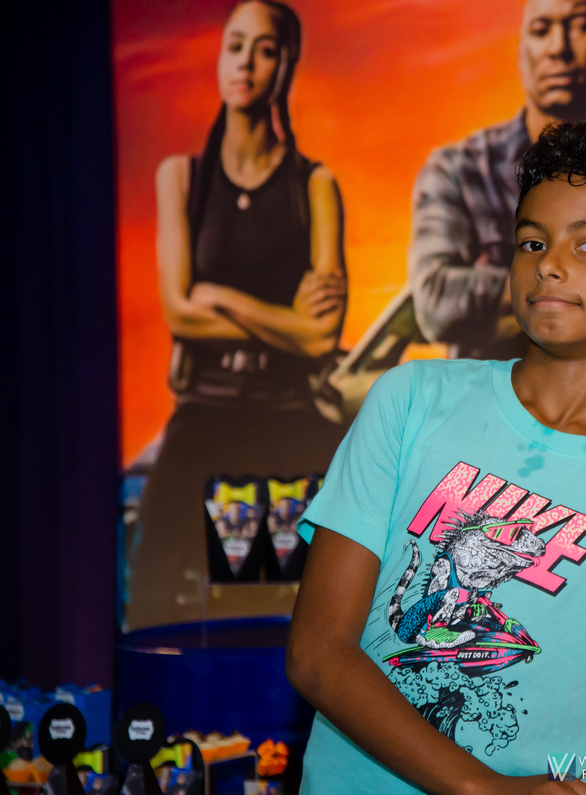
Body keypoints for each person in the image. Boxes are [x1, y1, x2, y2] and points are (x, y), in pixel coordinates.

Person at [287, 123, 586, 795]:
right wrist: (487, 788)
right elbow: (318, 653)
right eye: (532, 242)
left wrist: (564, 780)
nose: (549, 264)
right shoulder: (412, 400)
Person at [127, 0, 347, 629]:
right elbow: (179, 313)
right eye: (235, 45)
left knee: (308, 601)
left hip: (289, 414)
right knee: (150, 596)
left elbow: (321, 335)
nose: (246, 62)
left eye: (265, 49)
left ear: (286, 66)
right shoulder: (182, 178)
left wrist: (218, 295)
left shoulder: (314, 186)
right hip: (206, 411)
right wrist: (285, 321)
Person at [406, 0, 586, 439]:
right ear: (519, 50)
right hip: (489, 431)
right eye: (541, 29)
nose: (558, 47)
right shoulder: (459, 169)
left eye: (578, 25)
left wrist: (511, 297)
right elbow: (437, 302)